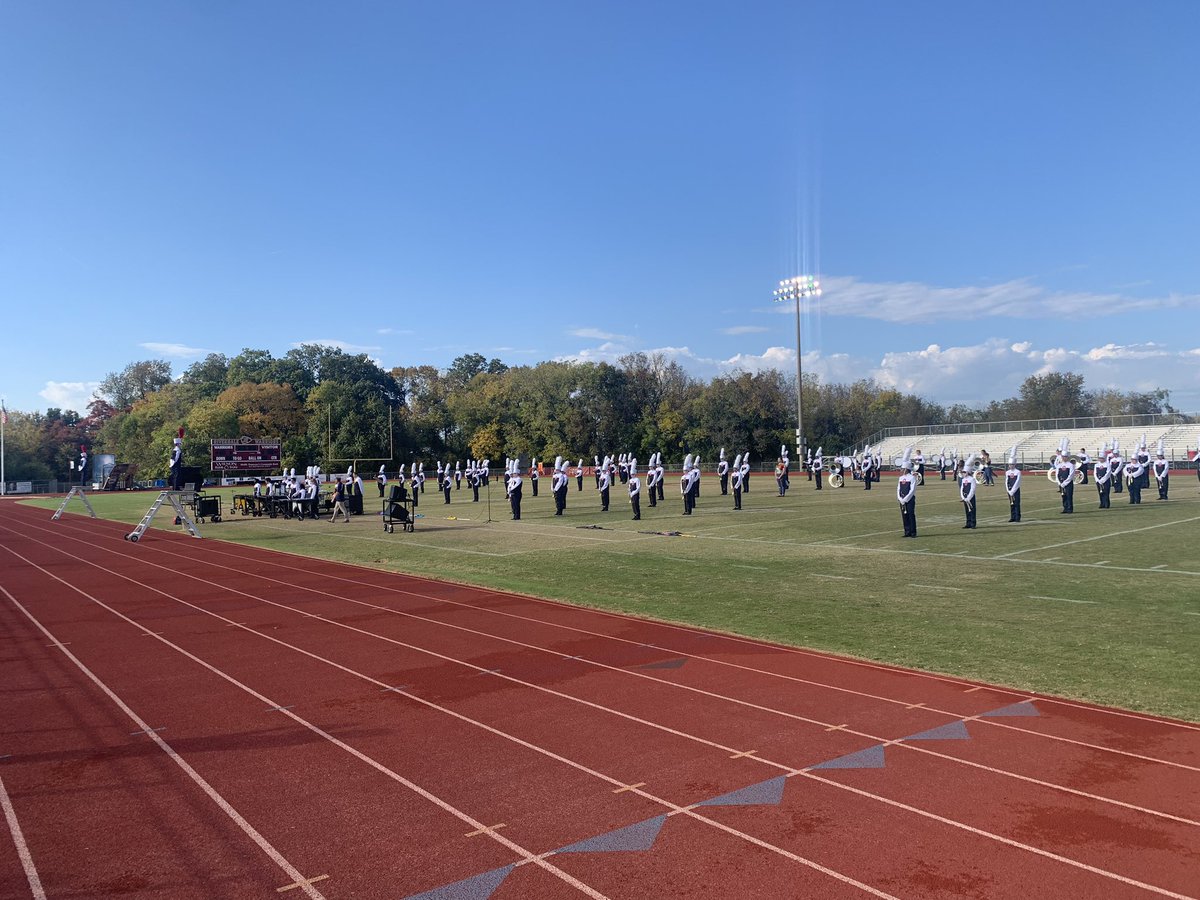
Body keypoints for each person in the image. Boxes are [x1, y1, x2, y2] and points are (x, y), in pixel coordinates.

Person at [897, 448, 917, 538]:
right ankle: (907, 531)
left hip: (909, 499)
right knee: (904, 516)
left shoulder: (912, 478)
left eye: (903, 469)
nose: (901, 470)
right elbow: (898, 489)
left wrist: (906, 499)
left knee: (910, 515)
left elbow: (912, 490)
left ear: (907, 469)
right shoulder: (901, 478)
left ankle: (913, 532)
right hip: (902, 500)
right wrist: (900, 498)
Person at [1055, 442, 1076, 514]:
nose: (1064, 458)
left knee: (1069, 496)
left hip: (1068, 483)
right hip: (1061, 483)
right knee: (1063, 496)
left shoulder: (1071, 465)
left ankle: (1070, 508)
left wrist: (1065, 483)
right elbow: (1057, 474)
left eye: (1065, 457)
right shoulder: (1059, 465)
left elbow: (1071, 475)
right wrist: (1059, 482)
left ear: (1067, 457)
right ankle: (1065, 508)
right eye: (1063, 456)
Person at [960, 455, 978, 528]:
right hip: (965, 497)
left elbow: (972, 489)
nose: (963, 473)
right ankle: (968, 523)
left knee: (972, 510)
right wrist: (963, 496)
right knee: (967, 510)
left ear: (967, 472)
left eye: (964, 472)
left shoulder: (972, 479)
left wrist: (969, 497)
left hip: (970, 497)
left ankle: (973, 523)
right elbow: (962, 488)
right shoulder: (963, 480)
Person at [1004, 448, 1021, 523]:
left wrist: (1013, 490)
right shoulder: (1007, 472)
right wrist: (1008, 490)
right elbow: (1006, 481)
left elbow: (1018, 481)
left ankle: (1017, 517)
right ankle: (1012, 516)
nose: (1011, 466)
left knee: (1016, 503)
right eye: (1010, 464)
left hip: (1015, 490)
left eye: (1012, 464)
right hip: (1010, 490)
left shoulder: (1018, 472)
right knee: (1011, 503)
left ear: (1015, 464)